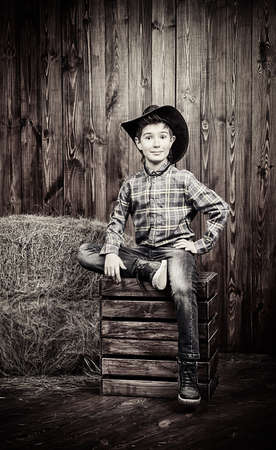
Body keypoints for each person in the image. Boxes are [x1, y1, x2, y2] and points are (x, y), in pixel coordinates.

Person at [77, 105, 229, 407]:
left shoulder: (184, 179)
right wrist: (110, 251)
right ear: (138, 143)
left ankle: (187, 371)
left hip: (175, 251)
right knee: (85, 253)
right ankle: (147, 269)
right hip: (143, 251)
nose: (156, 142)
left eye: (162, 136)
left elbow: (221, 209)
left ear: (171, 141)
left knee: (184, 290)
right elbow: (116, 221)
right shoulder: (131, 185)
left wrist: (199, 245)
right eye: (149, 137)